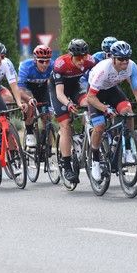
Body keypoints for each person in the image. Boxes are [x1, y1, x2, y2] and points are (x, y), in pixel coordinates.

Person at [86, 41, 137, 181]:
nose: (124, 62)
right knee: (100, 126)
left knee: (127, 111)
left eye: (127, 58)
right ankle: (95, 162)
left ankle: (127, 149)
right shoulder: (103, 69)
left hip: (112, 90)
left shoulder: (132, 67)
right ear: (113, 58)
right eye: (121, 59)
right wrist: (105, 109)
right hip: (95, 94)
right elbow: (90, 97)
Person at [50, 38, 96, 183]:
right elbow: (59, 94)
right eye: (78, 57)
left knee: (88, 105)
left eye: (84, 56)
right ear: (71, 55)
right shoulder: (61, 64)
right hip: (59, 90)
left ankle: (85, 132)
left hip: (76, 87)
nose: (82, 60)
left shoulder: (90, 61)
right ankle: (66, 165)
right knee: (65, 124)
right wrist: (69, 104)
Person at [18, 45, 54, 147]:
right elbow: (19, 90)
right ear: (35, 60)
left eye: (47, 61)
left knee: (47, 117)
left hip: (42, 89)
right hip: (28, 89)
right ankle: (29, 132)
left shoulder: (53, 66)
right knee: (29, 106)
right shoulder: (26, 66)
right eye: (41, 61)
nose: (45, 64)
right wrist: (29, 99)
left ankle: (46, 145)